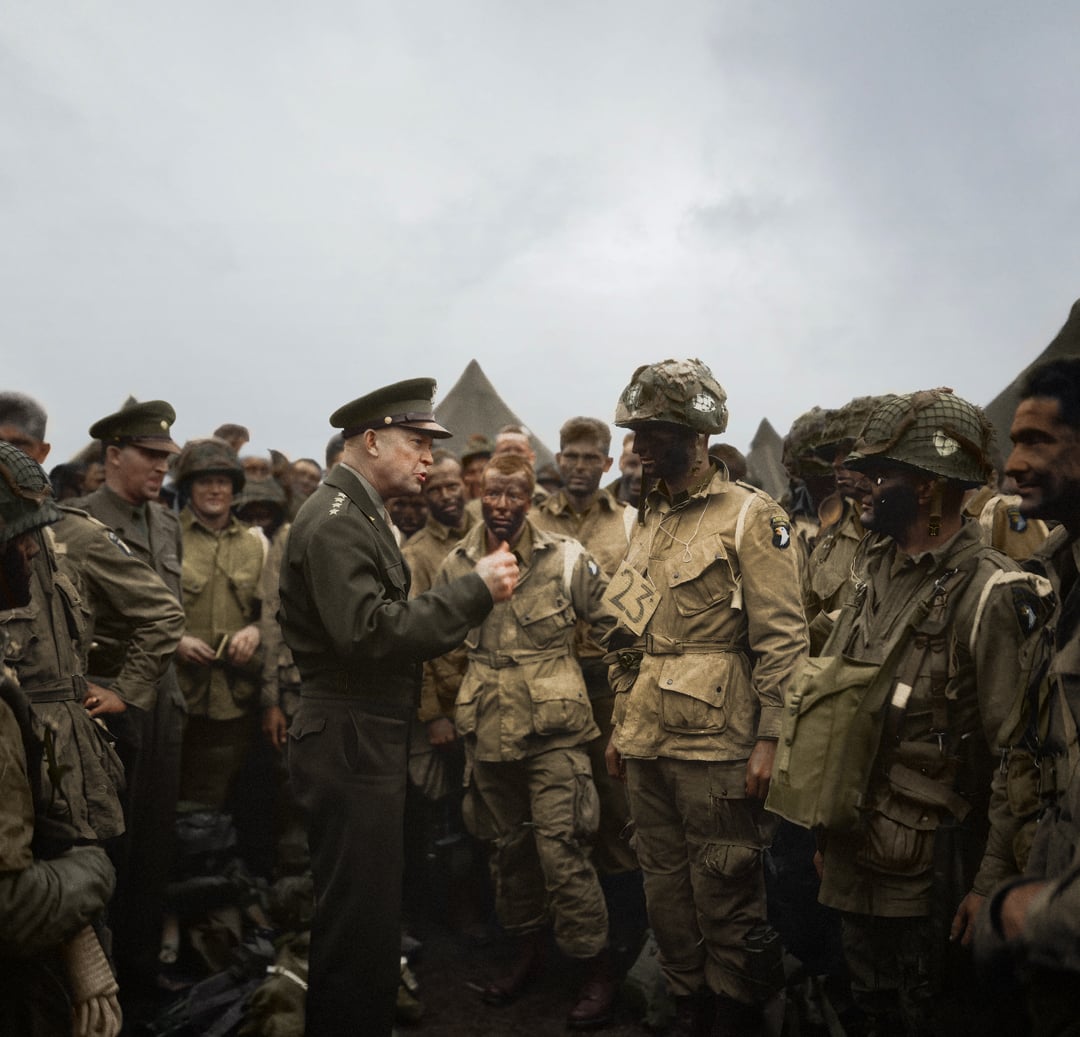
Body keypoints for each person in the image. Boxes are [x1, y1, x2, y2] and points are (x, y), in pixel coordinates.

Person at [278, 378, 518, 1037]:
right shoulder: (334, 521)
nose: (428, 459)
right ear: (372, 439)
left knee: (371, 918)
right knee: (357, 926)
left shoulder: (355, 512)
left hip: (364, 732)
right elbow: (369, 632)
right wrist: (473, 591)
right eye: (416, 442)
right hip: (351, 734)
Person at [810, 389, 1049, 1035]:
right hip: (858, 843)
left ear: (925, 489)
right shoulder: (873, 571)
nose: (862, 486)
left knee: (932, 1011)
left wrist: (991, 882)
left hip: (932, 870)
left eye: (881, 475)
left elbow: (1019, 758)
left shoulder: (995, 593)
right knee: (869, 1005)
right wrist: (826, 824)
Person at [604, 359, 808, 1036]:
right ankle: (684, 1004)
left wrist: (772, 737)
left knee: (726, 889)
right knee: (662, 887)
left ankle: (733, 1013)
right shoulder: (649, 521)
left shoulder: (753, 515)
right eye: (635, 431)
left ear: (694, 434)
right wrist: (618, 719)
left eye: (652, 432)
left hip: (719, 742)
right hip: (647, 738)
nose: (636, 447)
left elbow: (783, 638)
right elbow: (625, 630)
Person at [974, 347, 1080, 1031]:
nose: (1013, 467)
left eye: (1037, 441)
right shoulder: (1059, 577)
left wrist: (1025, 913)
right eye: (1014, 442)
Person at [74, 398, 191, 983]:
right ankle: (102, 975)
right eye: (149, 455)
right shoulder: (77, 523)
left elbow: (171, 614)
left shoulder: (167, 521)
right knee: (107, 843)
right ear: (113, 455)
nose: (160, 467)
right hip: (109, 702)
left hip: (163, 703)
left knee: (154, 843)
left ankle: (142, 970)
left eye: (166, 457)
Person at [531, 416, 643, 942]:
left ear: (607, 463)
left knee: (617, 807)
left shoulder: (629, 523)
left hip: (608, 686)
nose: (578, 467)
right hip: (548, 683)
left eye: (589, 457)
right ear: (558, 460)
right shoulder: (532, 521)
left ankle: (621, 940)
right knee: (559, 813)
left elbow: (643, 607)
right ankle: (566, 937)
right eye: (569, 456)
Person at [172, 439, 264, 818]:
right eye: (204, 481)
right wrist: (174, 640)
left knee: (224, 796)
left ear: (234, 488)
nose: (214, 490)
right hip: (177, 691)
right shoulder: (167, 537)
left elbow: (275, 613)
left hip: (233, 695)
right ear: (188, 488)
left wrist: (256, 631)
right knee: (168, 794)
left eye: (223, 482)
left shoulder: (255, 544)